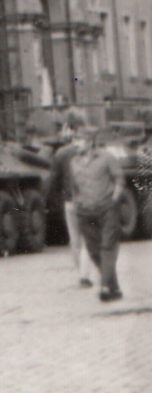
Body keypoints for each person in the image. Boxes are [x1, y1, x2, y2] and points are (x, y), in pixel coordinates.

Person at [68, 128, 128, 302]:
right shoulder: (74, 162)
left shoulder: (106, 157)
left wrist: (114, 200)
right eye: (74, 140)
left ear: (90, 142)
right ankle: (114, 288)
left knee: (108, 246)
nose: (75, 143)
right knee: (94, 251)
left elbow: (119, 179)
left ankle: (103, 286)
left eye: (79, 139)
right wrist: (77, 204)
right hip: (85, 212)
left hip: (107, 208)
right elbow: (74, 187)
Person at [47, 116, 97, 288]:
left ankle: (81, 273)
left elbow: (53, 180)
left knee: (75, 240)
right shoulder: (92, 152)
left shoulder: (61, 154)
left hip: (69, 202)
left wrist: (53, 199)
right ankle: (84, 275)